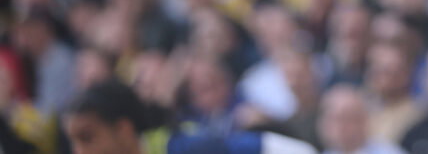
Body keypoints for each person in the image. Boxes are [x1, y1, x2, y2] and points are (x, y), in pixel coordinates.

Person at [62, 80, 317, 154]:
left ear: (124, 129)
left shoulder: (186, 147)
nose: (79, 152)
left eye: (87, 138)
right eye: (73, 142)